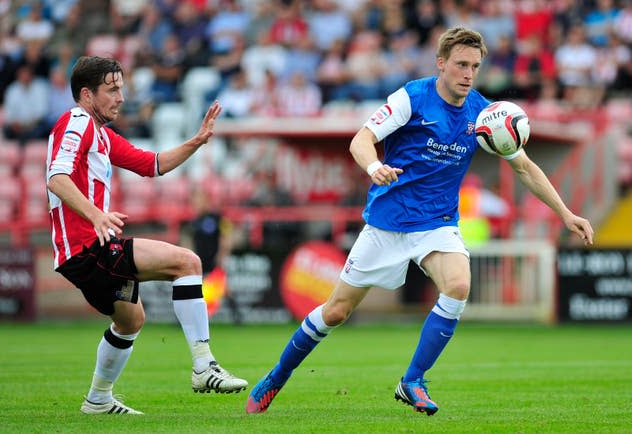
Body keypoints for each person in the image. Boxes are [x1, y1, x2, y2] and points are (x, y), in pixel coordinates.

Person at [245, 27, 594, 416]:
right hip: (387, 223)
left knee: (459, 284)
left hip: (437, 223)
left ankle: (412, 380)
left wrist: (566, 213)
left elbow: (525, 168)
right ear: (441, 63)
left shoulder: (483, 114)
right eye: (461, 64)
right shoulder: (412, 97)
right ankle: (276, 377)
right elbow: (360, 140)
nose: (468, 74)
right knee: (336, 312)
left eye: (475, 66)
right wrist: (375, 166)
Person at [46, 56, 247, 415]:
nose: (121, 97)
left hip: (83, 249)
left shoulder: (102, 135)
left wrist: (196, 142)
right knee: (187, 262)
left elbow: (151, 164)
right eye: (112, 89)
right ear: (86, 94)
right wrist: (96, 216)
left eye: (121, 88)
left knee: (130, 320)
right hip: (88, 246)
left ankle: (98, 400)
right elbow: (56, 177)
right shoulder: (76, 121)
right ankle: (204, 366)